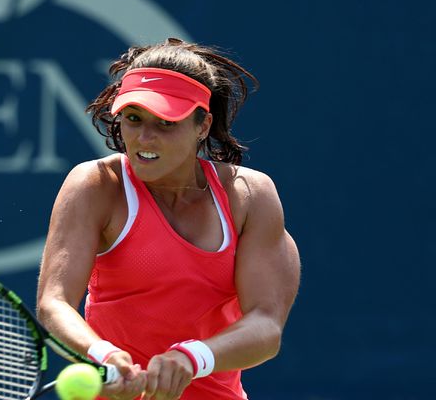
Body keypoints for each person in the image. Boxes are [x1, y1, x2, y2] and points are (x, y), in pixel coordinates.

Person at [36, 38, 300, 400]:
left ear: (202, 125)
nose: (145, 138)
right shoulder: (97, 186)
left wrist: (192, 358)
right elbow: (55, 303)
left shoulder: (249, 196)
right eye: (133, 119)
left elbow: (266, 326)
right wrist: (106, 355)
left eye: (166, 123)